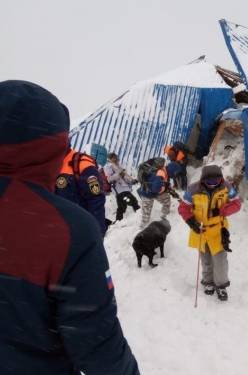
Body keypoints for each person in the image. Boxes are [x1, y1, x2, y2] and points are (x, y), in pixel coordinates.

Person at [0, 80, 140, 375]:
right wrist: (89, 234)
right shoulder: (66, 231)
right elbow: (102, 353)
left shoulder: (83, 168)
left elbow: (94, 197)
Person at [178, 165, 241, 301]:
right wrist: (191, 222)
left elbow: (237, 204)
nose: (213, 184)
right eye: (209, 182)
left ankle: (221, 285)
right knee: (206, 259)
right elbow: (183, 208)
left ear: (220, 179)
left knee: (220, 261)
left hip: (218, 230)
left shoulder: (227, 187)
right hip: (200, 230)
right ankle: (208, 282)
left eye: (216, 181)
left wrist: (221, 211)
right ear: (203, 180)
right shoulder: (193, 189)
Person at [55, 146, 106, 235]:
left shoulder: (81, 163)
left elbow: (96, 200)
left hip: (79, 234)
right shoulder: (44, 166)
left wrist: (96, 234)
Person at [104, 152, 140, 221]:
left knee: (122, 207)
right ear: (110, 159)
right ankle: (140, 214)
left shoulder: (119, 167)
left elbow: (125, 178)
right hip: (119, 191)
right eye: (114, 158)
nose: (116, 159)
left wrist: (132, 181)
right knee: (133, 200)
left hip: (124, 190)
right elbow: (109, 179)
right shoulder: (108, 167)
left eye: (116, 158)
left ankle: (118, 221)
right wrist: (119, 174)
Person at [137, 157, 172, 229]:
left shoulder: (147, 168)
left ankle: (143, 226)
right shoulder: (159, 172)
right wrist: (164, 188)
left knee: (146, 213)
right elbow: (157, 188)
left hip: (144, 191)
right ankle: (164, 215)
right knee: (167, 200)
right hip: (152, 193)